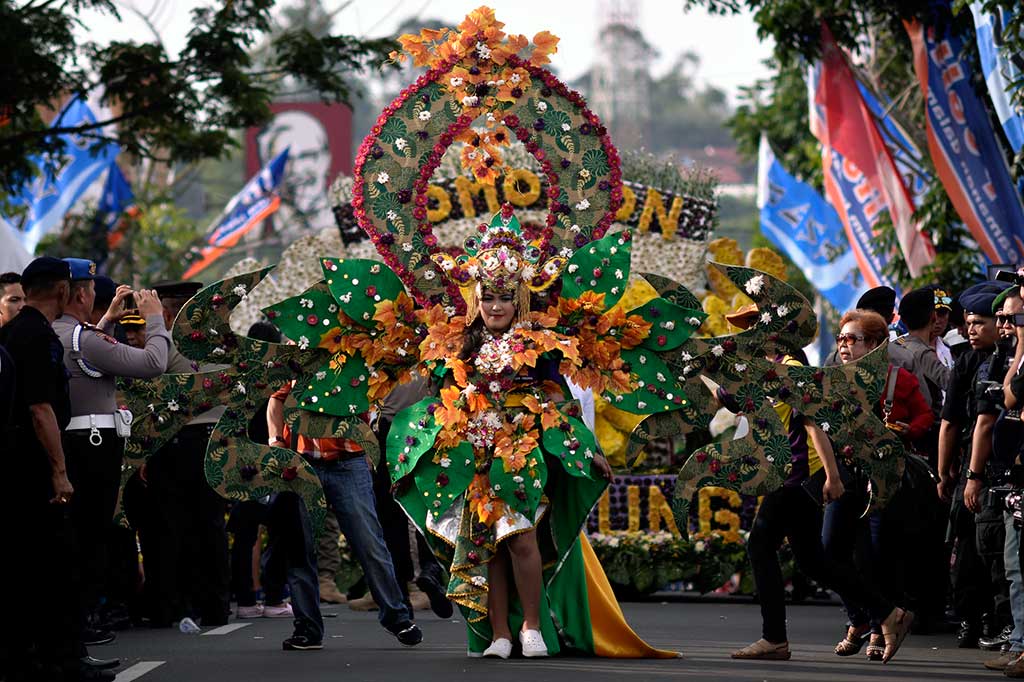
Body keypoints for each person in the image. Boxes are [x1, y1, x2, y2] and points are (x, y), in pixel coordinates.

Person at [720, 305, 913, 664]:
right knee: (813, 561)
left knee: (761, 545)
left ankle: (775, 638)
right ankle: (887, 613)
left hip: (795, 477)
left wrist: (832, 476)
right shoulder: (762, 372)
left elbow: (813, 424)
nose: (744, 336)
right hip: (791, 477)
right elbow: (725, 397)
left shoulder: (791, 371)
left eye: (750, 328)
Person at [0, 257, 118, 681]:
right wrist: (59, 470)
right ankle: (64, 658)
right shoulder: (37, 336)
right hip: (34, 464)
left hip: (19, 463)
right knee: (57, 563)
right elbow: (39, 409)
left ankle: (39, 655)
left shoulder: (15, 332)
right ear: (64, 291)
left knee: (32, 564)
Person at [52, 259, 171, 643]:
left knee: (77, 536)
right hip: (91, 448)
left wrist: (105, 322)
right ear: (81, 294)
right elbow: (154, 363)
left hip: (72, 443)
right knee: (90, 537)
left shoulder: (58, 333)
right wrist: (155, 321)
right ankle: (80, 624)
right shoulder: (82, 338)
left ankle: (77, 620)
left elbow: (86, 351)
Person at [267, 381, 422, 650]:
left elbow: (375, 399)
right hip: (301, 462)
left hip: (348, 460)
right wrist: (276, 442)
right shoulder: (295, 355)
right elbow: (276, 399)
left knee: (369, 541)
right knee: (300, 547)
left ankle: (397, 616)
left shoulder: (354, 350)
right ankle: (308, 628)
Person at [824, 309, 933, 661]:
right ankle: (858, 619)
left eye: (851, 339)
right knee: (831, 549)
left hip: (885, 478)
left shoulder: (897, 380)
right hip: (845, 474)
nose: (843, 345)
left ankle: (873, 628)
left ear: (873, 344)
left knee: (876, 555)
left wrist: (906, 429)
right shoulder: (832, 379)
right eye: (841, 338)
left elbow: (925, 417)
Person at [140, 280, 231, 628]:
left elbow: (153, 389)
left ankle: (173, 606)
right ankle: (216, 606)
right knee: (211, 525)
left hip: (178, 441)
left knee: (171, 526)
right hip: (215, 439)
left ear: (166, 310)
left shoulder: (167, 341)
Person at [937, 281, 1008, 648]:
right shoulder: (966, 361)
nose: (971, 329)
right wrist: (945, 471)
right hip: (970, 462)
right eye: (968, 322)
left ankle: (998, 621)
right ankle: (970, 618)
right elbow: (950, 422)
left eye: (980, 321)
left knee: (993, 549)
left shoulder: (1007, 359)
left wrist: (970, 476)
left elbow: (988, 423)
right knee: (966, 545)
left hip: (994, 465)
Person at [891, 287, 951, 462]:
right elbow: (951, 383)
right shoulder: (923, 353)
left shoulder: (897, 348)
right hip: (926, 436)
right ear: (933, 317)